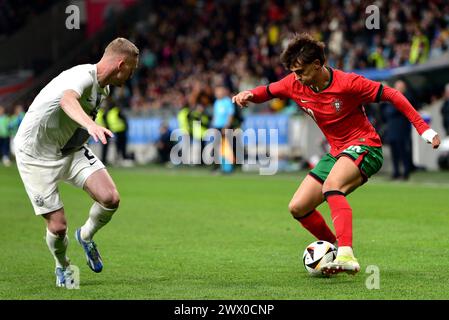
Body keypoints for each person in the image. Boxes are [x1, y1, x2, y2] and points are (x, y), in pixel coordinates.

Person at [232, 33, 440, 276]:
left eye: (300, 72)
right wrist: (249, 94)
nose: (296, 78)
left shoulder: (348, 83)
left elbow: (392, 95)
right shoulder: (294, 83)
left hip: (366, 146)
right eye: (293, 72)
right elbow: (268, 90)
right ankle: (334, 251)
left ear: (317, 65)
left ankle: (346, 254)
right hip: (337, 153)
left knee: (332, 186)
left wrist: (423, 128)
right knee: (298, 207)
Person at [14, 38, 139, 287]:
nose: (132, 74)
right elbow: (67, 100)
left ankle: (85, 235)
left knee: (110, 198)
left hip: (70, 150)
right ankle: (62, 266)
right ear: (121, 63)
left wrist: (84, 133)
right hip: (35, 157)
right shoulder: (81, 76)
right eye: (132, 69)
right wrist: (91, 125)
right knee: (58, 226)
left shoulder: (104, 89)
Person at [383, 80, 414, 180]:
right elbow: (386, 112)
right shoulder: (391, 99)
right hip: (392, 130)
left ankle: (406, 172)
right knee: (394, 152)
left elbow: (393, 110)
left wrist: (390, 109)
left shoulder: (406, 98)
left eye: (400, 86)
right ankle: (396, 172)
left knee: (403, 152)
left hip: (402, 130)